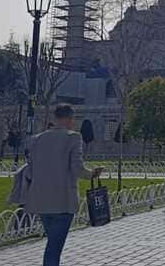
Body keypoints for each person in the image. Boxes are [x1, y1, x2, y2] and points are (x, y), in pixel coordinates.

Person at [24, 104, 104, 266]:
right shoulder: (73, 137)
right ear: (69, 118)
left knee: (52, 243)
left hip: (41, 199)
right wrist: (92, 174)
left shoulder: (36, 139)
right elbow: (77, 168)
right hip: (63, 200)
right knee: (54, 248)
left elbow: (30, 170)